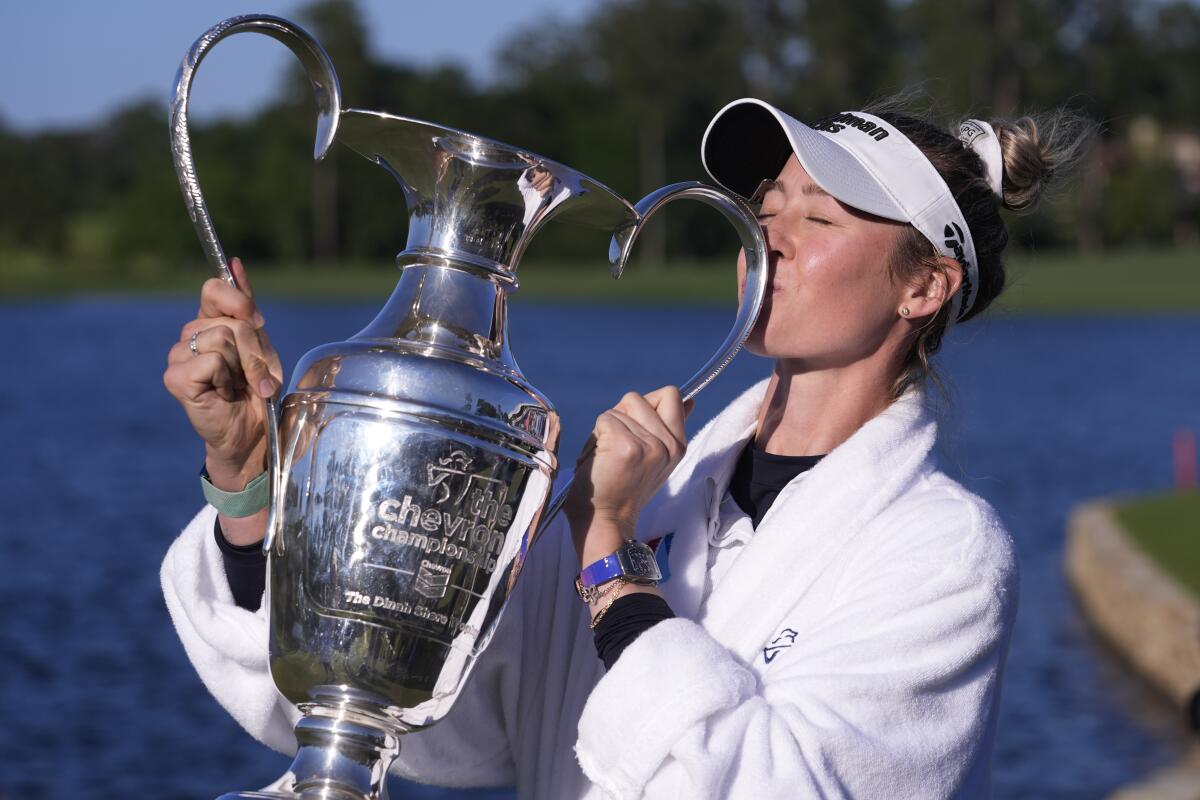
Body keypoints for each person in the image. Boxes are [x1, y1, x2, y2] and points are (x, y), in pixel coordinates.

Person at [161, 96, 1086, 798]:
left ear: (924, 285)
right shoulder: (661, 492)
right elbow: (443, 717)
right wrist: (251, 482)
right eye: (768, 203)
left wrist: (609, 560)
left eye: (820, 218)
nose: (770, 235)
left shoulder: (944, 553)